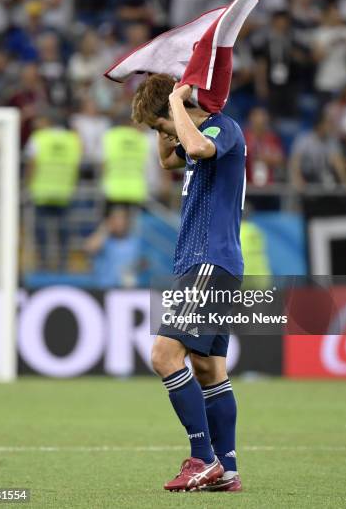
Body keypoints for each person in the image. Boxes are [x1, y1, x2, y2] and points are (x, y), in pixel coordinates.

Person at [132, 73, 245, 492]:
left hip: (208, 262)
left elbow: (196, 145)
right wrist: (167, 113)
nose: (164, 137)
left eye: (159, 127)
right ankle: (227, 470)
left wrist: (177, 102)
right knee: (209, 367)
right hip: (206, 264)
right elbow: (169, 160)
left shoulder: (221, 126)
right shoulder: (194, 130)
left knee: (164, 356)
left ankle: (203, 458)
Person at [25, 114, 82, 270]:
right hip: (64, 193)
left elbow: (32, 164)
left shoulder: (38, 137)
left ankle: (43, 262)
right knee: (63, 231)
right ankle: (63, 263)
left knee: (41, 231)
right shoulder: (72, 139)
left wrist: (27, 184)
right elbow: (77, 165)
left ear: (48, 121)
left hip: (42, 193)